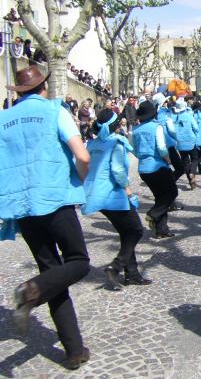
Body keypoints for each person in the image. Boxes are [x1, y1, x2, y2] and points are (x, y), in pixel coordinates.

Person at [0, 66, 91, 370]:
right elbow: (83, 155)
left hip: (23, 205)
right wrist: (79, 181)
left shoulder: (3, 119)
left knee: (52, 274)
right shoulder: (56, 110)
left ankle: (74, 351)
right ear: (44, 87)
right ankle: (31, 291)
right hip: (55, 199)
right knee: (78, 261)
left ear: (19, 91)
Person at [82, 109, 152, 290]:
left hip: (95, 195)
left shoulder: (92, 144)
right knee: (136, 230)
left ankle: (132, 274)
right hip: (113, 195)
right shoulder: (116, 143)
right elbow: (118, 171)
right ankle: (116, 266)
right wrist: (128, 191)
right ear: (116, 125)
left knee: (126, 232)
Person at [132, 100, 178, 239]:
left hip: (143, 169)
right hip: (158, 166)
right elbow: (162, 147)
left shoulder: (135, 131)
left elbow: (134, 150)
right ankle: (153, 214)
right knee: (171, 193)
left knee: (160, 198)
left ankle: (161, 230)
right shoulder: (156, 127)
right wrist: (168, 160)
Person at [172, 97, 199, 190]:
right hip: (191, 141)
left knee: (185, 162)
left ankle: (191, 182)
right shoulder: (189, 115)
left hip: (180, 143)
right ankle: (192, 173)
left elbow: (172, 131)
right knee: (195, 159)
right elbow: (196, 127)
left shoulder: (174, 117)